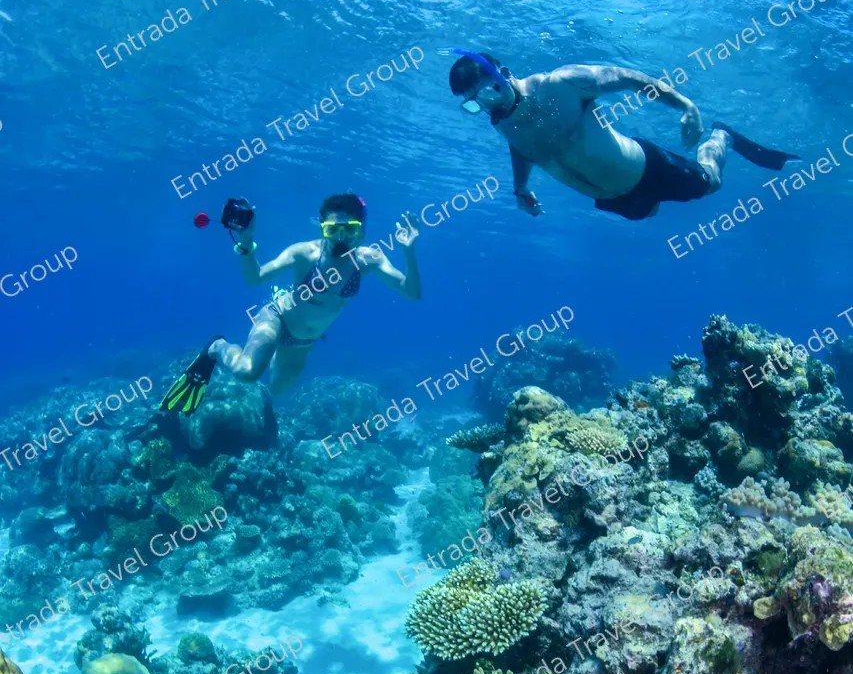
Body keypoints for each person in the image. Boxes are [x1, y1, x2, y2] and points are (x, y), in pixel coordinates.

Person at [446, 49, 799, 222]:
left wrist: (685, 105)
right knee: (650, 213)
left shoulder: (561, 84)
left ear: (505, 73)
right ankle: (650, 201)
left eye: (489, 92)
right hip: (614, 200)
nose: (488, 106)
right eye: (474, 105)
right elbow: (522, 148)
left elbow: (628, 78)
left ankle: (722, 136)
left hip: (648, 169)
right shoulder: (502, 121)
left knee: (711, 183)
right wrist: (520, 188)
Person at [162, 193, 421, 414]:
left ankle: (270, 351)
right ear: (322, 228)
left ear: (361, 229)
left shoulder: (369, 260)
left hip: (304, 341)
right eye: (332, 230)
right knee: (247, 372)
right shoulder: (303, 254)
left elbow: (412, 292)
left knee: (277, 389)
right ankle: (217, 347)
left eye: (349, 229)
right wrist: (246, 240)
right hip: (277, 318)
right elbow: (255, 277)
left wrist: (408, 252)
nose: (340, 238)